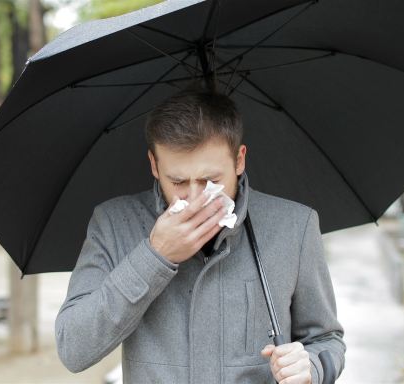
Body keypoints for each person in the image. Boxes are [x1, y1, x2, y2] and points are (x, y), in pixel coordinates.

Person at [55, 82, 346, 384]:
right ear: (154, 164)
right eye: (178, 181)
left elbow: (327, 339)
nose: (194, 198)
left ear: (239, 160)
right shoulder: (114, 224)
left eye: (209, 179)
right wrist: (154, 256)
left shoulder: (294, 227)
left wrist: (311, 366)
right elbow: (73, 349)